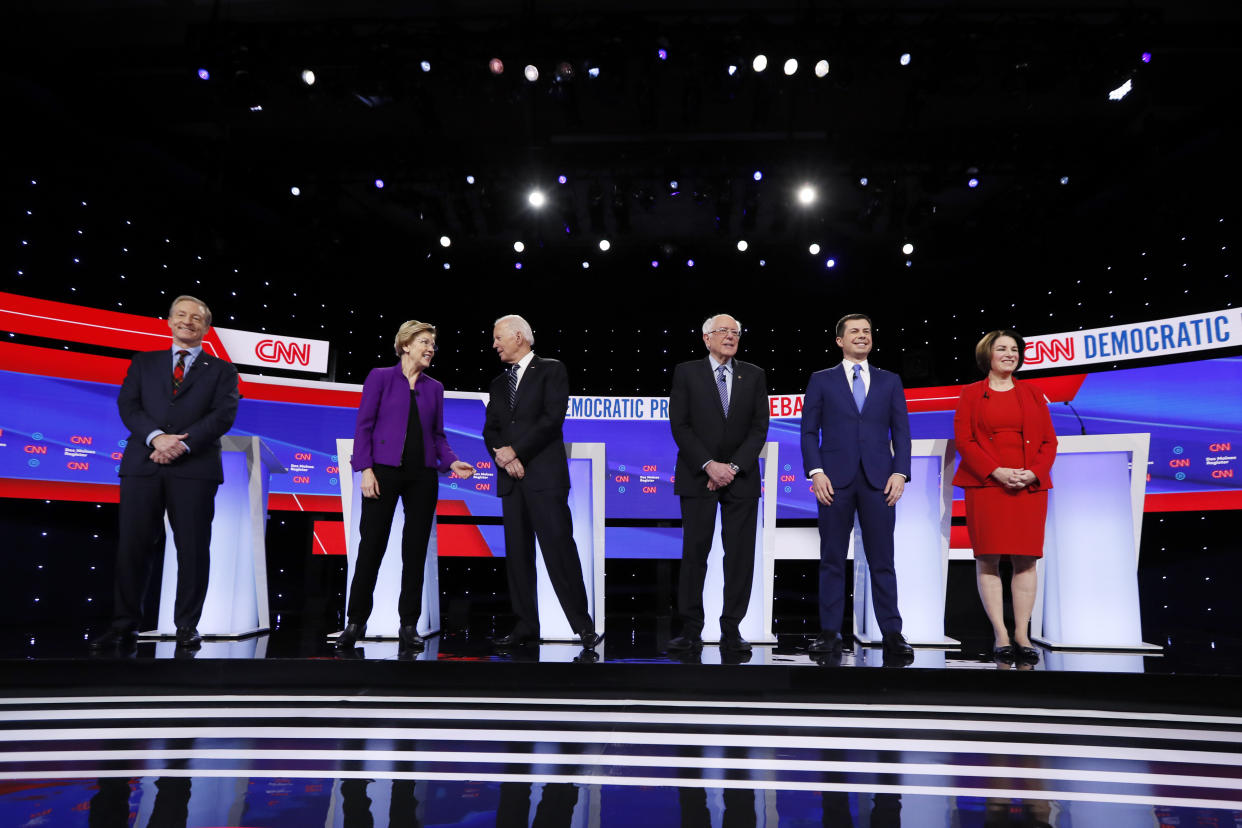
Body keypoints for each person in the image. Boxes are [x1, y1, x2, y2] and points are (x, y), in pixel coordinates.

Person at [90, 295, 240, 653]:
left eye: (197, 318)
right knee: (133, 548)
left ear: (206, 327)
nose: (188, 321)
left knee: (192, 549)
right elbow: (129, 405)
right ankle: (124, 626)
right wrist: (157, 438)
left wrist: (181, 445)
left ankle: (187, 626)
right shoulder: (144, 363)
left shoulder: (222, 371)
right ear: (169, 320)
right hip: (143, 464)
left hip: (195, 469)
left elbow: (223, 416)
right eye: (181, 315)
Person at [338, 320, 475, 657]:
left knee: (414, 552)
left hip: (422, 476)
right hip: (383, 472)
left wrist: (452, 462)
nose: (430, 348)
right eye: (425, 342)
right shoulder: (380, 377)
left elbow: (438, 436)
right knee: (371, 547)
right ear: (405, 345)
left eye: (433, 344)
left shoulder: (435, 387)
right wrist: (365, 469)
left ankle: (408, 625)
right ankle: (355, 623)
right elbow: (364, 426)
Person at [800, 313, 914, 660]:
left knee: (883, 559)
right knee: (832, 557)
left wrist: (900, 473)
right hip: (833, 481)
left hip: (880, 481)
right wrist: (816, 472)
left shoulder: (890, 380)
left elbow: (902, 433)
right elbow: (808, 432)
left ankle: (892, 633)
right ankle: (830, 633)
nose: (862, 336)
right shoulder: (821, 380)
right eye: (855, 332)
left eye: (867, 331)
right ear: (840, 341)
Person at [482, 314, 599, 649]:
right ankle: (525, 626)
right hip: (511, 481)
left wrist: (516, 452)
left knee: (560, 550)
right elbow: (491, 429)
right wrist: (503, 456)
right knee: (518, 557)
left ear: (518, 336)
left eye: (498, 338)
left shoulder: (552, 370)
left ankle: (583, 626)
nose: (494, 345)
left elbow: (551, 420)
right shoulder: (498, 383)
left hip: (544, 478)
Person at [952, 329, 1056, 665]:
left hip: (1028, 486)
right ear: (988, 355)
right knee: (989, 558)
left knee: (1026, 560)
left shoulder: (1034, 393)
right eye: (1003, 349)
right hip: (987, 485)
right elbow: (965, 442)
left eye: (1015, 349)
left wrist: (1034, 472)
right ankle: (1000, 633)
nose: (1010, 354)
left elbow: (1049, 442)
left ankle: (1022, 635)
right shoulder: (970, 394)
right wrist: (995, 471)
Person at [667, 314, 770, 652]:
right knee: (695, 553)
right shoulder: (687, 372)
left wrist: (733, 467)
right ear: (706, 338)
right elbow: (680, 426)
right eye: (722, 331)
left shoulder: (753, 375)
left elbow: (759, 429)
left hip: (741, 480)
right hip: (698, 476)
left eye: (735, 332)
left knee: (739, 556)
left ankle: (732, 629)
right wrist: (711, 466)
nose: (730, 336)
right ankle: (691, 629)